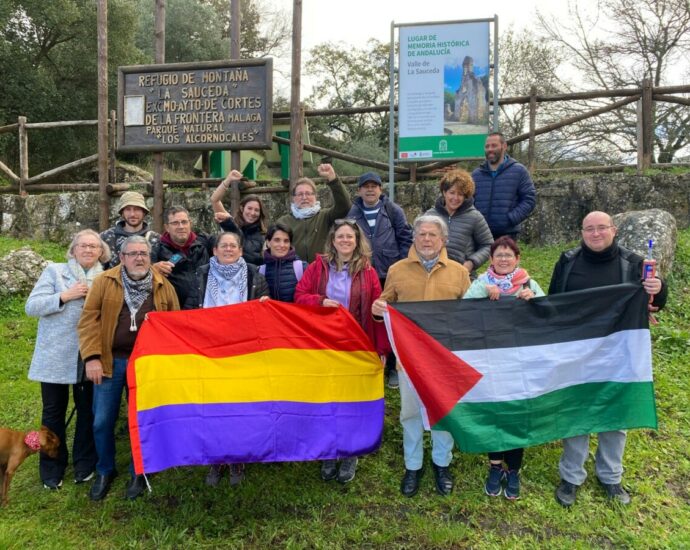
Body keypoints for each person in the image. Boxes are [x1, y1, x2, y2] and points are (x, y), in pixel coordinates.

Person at [549, 211, 667, 507]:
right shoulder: (568, 261)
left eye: (602, 227)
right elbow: (552, 302)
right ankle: (571, 476)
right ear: (582, 232)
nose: (596, 233)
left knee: (615, 412)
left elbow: (657, 302)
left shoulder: (634, 263)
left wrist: (659, 289)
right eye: (589, 228)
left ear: (614, 230)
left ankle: (610, 476)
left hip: (619, 352)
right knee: (577, 410)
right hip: (577, 350)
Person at [372, 215, 471, 498]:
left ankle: (442, 463)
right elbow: (385, 305)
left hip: (444, 359)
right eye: (422, 234)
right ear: (414, 238)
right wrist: (377, 310)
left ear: (444, 240)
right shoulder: (397, 270)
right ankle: (412, 465)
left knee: (443, 411)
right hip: (409, 359)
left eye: (432, 235)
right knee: (410, 413)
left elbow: (470, 313)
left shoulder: (459, 273)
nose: (427, 239)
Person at [78, 236, 179, 501]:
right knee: (102, 421)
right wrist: (92, 358)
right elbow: (88, 321)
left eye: (143, 253)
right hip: (110, 361)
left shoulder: (162, 285)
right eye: (132, 253)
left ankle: (139, 470)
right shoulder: (104, 282)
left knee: (142, 419)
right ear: (122, 258)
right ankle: (105, 469)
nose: (139, 258)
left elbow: (174, 324)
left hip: (146, 365)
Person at [295, 219, 389, 484]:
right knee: (327, 398)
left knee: (351, 400)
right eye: (341, 237)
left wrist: (380, 348)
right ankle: (329, 450)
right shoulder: (318, 267)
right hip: (323, 345)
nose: (345, 240)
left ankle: (349, 452)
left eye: (350, 237)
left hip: (355, 346)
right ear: (333, 241)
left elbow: (376, 312)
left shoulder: (368, 272)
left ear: (357, 241)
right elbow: (299, 295)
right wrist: (319, 301)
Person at [25, 229, 111, 490]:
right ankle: (51, 467)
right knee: (53, 411)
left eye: (94, 246)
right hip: (55, 355)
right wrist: (64, 296)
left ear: (101, 252)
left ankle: (84, 463)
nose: (88, 250)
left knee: (87, 410)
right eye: (83, 245)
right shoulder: (55, 272)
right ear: (73, 249)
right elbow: (32, 306)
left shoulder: (107, 277)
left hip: (89, 355)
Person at [184, 231, 269, 486]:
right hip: (209, 353)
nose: (229, 249)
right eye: (224, 246)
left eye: (233, 246)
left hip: (243, 353)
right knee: (213, 407)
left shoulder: (255, 276)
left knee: (239, 407)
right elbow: (189, 312)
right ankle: (215, 457)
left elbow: (264, 317)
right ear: (215, 250)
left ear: (241, 251)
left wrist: (266, 306)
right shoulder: (200, 275)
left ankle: (237, 457)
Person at [463, 236, 545, 500]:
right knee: (496, 411)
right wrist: (483, 294)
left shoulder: (529, 283)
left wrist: (534, 300)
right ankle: (495, 466)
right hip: (491, 359)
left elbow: (549, 315)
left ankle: (514, 470)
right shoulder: (481, 283)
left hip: (521, 362)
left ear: (517, 259)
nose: (504, 259)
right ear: (491, 259)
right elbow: (461, 311)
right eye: (499, 254)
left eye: (509, 255)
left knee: (517, 413)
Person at [348, 171, 413, 389]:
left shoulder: (393, 210)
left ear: (380, 189)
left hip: (389, 274)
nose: (370, 190)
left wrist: (401, 267)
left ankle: (393, 366)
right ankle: (372, 362)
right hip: (363, 274)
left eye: (374, 186)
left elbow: (405, 237)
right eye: (365, 186)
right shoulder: (353, 213)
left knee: (391, 321)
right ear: (359, 190)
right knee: (367, 319)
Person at [425, 168, 493, 279]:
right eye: (452, 193)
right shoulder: (429, 215)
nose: (455, 198)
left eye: (460, 194)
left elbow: (488, 245)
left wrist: (471, 263)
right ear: (444, 192)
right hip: (433, 275)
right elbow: (418, 242)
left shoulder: (475, 216)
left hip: (463, 276)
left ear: (466, 196)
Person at [277, 163, 352, 263]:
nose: (304, 197)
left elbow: (345, 206)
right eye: (300, 194)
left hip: (323, 269)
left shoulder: (325, 216)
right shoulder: (283, 222)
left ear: (315, 196)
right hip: (293, 271)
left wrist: (333, 179)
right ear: (293, 198)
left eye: (308, 193)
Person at [472, 132, 536, 241]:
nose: (490, 149)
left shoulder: (519, 171)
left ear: (504, 146)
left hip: (507, 235)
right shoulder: (476, 174)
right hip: (480, 234)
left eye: (494, 145)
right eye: (487, 146)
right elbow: (468, 201)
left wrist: (511, 219)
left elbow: (529, 199)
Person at [151, 206, 213, 307]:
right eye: (175, 223)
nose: (181, 226)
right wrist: (152, 269)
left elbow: (233, 245)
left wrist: (227, 222)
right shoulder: (157, 249)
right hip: (174, 309)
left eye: (184, 222)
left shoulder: (204, 242)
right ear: (167, 227)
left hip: (205, 308)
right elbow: (139, 274)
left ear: (190, 224)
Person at [211, 169, 268, 266]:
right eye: (249, 208)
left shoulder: (264, 234)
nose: (252, 213)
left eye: (256, 210)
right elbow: (215, 200)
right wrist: (228, 180)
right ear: (242, 208)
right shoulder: (230, 223)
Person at [100, 191, 159, 268]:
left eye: (137, 209)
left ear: (144, 212)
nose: (132, 214)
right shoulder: (106, 237)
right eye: (128, 209)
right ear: (122, 213)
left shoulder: (155, 239)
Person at [259, 223, 307, 302]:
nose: (282, 245)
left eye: (286, 241)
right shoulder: (260, 271)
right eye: (277, 240)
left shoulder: (302, 268)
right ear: (268, 242)